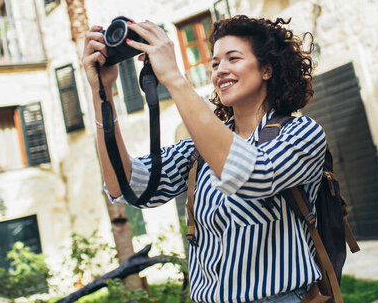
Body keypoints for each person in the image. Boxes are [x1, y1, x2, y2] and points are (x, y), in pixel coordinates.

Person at [82, 15, 327, 303]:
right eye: (215, 63)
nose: (220, 70)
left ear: (267, 70)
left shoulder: (302, 133)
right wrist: (102, 92)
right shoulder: (197, 152)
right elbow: (125, 186)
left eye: (233, 59)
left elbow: (253, 175)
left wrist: (173, 77)